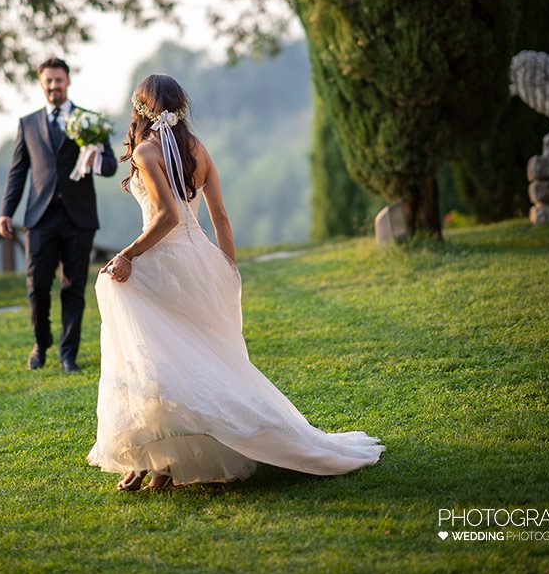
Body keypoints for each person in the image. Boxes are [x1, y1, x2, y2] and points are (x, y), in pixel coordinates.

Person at [87, 74, 384, 491]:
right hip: (201, 260)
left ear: (140, 110)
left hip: (166, 260)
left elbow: (167, 217)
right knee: (196, 356)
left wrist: (127, 255)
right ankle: (159, 462)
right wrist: (227, 270)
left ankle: (151, 457)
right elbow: (221, 218)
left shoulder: (146, 151)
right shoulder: (198, 149)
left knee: (129, 313)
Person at [0, 57, 118, 373]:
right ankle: (41, 343)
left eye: (59, 80)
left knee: (73, 287)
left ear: (68, 81)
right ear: (41, 84)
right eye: (48, 81)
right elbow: (17, 172)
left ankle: (68, 355)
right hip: (40, 218)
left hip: (79, 218)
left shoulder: (89, 121)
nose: (54, 86)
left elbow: (110, 167)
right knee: (37, 285)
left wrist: (93, 159)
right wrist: (6, 212)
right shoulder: (27, 124)